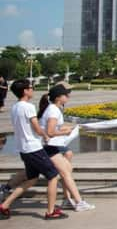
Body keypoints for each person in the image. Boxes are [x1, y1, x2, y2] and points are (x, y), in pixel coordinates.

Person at [0, 79, 67, 220]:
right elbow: (36, 128)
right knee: (53, 176)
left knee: (32, 179)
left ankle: (5, 205)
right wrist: (46, 135)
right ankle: (50, 211)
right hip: (33, 147)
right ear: (25, 91)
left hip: (24, 148)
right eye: (31, 87)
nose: (33, 90)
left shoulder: (15, 107)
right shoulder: (28, 107)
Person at [39, 83, 95, 212]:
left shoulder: (53, 108)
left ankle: (67, 200)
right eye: (66, 95)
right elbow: (50, 131)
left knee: (67, 171)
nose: (68, 96)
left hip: (50, 146)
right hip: (49, 147)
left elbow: (53, 128)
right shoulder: (53, 110)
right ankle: (78, 202)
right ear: (58, 97)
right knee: (65, 173)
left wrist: (69, 128)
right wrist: (66, 132)